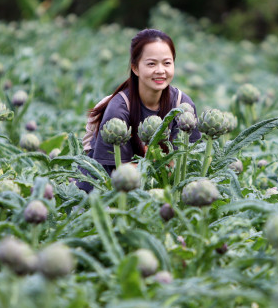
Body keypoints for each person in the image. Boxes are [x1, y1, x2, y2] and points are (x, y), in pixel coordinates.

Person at [78, 28, 201, 192]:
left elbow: (188, 163)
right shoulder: (118, 109)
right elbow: (114, 173)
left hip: (160, 190)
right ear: (135, 68)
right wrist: (158, 166)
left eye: (167, 63)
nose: (160, 70)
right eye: (151, 64)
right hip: (103, 193)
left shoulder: (182, 104)